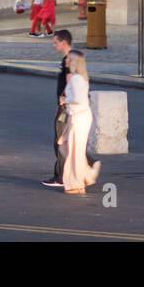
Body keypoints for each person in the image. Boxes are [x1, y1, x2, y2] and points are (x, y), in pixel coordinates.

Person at [42, 30, 96, 188]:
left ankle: (64, 176)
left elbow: (76, 93)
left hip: (71, 110)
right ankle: (83, 170)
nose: (54, 46)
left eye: (56, 42)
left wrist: (64, 98)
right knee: (67, 143)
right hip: (71, 110)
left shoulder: (73, 66)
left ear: (64, 42)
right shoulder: (72, 63)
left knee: (62, 142)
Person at [58, 50, 101, 194]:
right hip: (77, 116)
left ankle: (76, 184)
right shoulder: (79, 78)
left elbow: (77, 99)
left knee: (74, 150)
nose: (66, 61)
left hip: (78, 116)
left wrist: (65, 100)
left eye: (69, 59)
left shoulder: (76, 79)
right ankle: (87, 175)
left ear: (74, 62)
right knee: (66, 146)